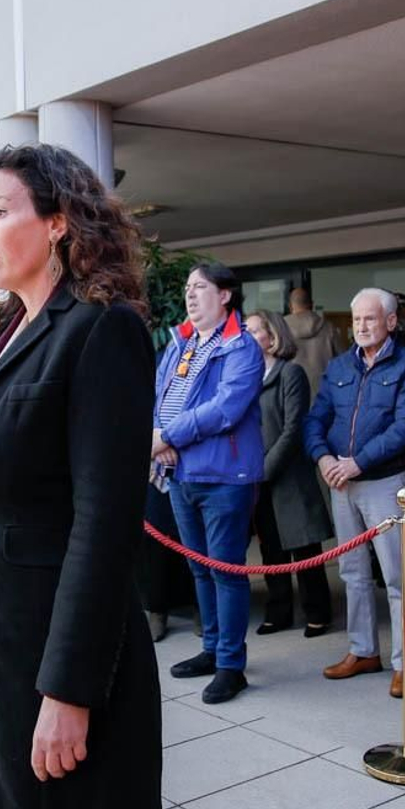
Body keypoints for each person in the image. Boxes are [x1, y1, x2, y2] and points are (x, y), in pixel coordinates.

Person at [0, 143, 163, 809]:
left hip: (55, 664)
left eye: (0, 212)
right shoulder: (6, 329)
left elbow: (103, 526)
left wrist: (68, 691)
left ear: (60, 221)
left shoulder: (100, 329)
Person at [304, 288, 405, 698]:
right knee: (352, 573)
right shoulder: (340, 365)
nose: (360, 326)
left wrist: (357, 462)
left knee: (396, 577)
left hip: (385, 485)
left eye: (370, 319)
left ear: (391, 322)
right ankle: (363, 651)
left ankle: (404, 663)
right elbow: (316, 419)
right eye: (357, 319)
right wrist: (324, 458)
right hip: (341, 484)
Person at [156, 261, 264, 704]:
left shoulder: (241, 346)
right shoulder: (179, 342)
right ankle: (211, 648)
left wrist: (169, 435)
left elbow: (225, 409)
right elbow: (158, 395)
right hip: (180, 472)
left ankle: (230, 665)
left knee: (226, 571)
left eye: (200, 287)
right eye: (188, 287)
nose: (190, 294)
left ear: (225, 296)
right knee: (199, 568)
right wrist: (156, 439)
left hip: (225, 476)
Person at [245, 309, 333, 638]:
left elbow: (293, 429)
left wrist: (264, 469)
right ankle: (279, 611)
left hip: (289, 476)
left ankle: (318, 613)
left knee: (305, 549)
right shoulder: (247, 375)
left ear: (273, 335)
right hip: (258, 476)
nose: (249, 337)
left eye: (255, 331)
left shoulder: (289, 373)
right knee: (271, 551)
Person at [285, 286, 341, 397]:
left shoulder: (281, 328)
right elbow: (343, 360)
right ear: (311, 304)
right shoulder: (328, 327)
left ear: (290, 306)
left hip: (292, 391)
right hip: (324, 391)